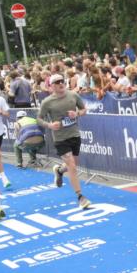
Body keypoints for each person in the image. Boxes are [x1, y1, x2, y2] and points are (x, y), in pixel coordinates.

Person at [38, 74, 92, 209]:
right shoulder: (47, 102)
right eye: (57, 82)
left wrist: (77, 114)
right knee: (72, 166)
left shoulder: (73, 95)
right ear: (51, 86)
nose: (61, 83)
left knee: (71, 165)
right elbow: (39, 119)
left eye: (62, 81)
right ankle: (81, 197)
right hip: (60, 138)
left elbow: (84, 109)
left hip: (74, 134)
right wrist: (50, 125)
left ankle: (60, 171)